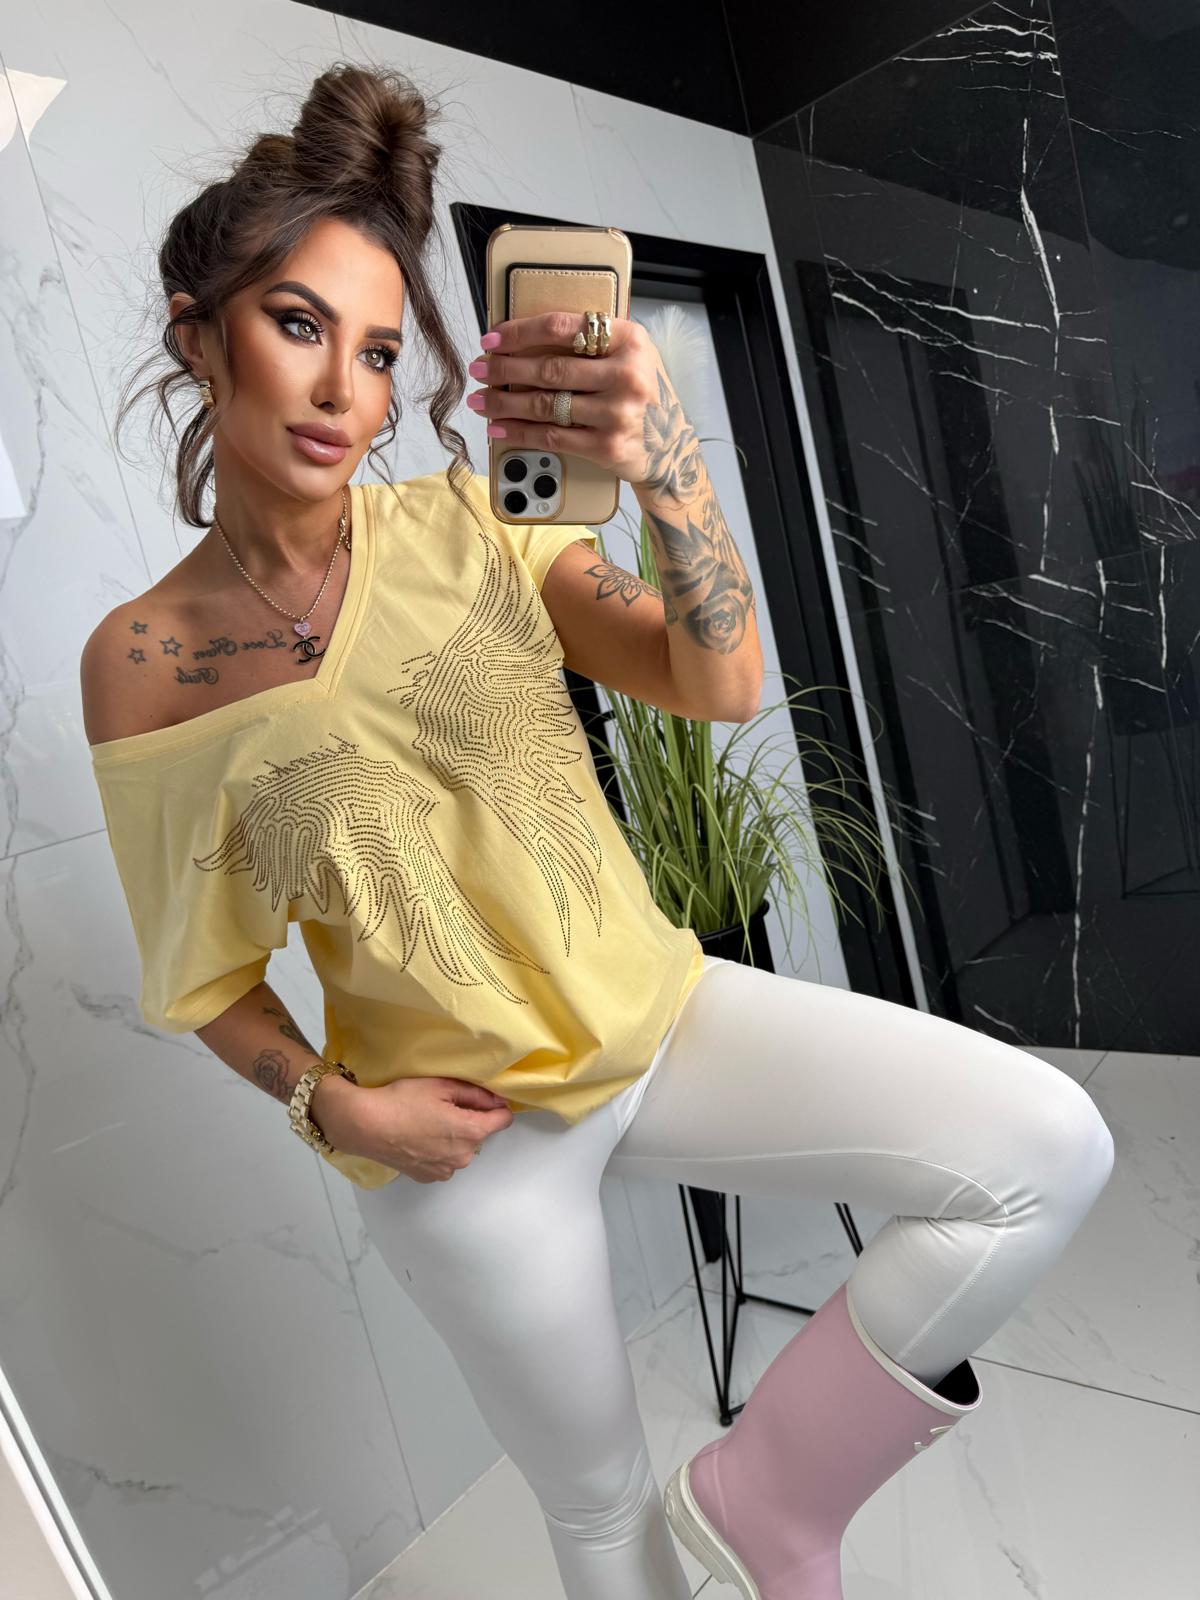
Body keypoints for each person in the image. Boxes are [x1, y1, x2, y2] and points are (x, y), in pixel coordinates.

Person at [80, 62, 1116, 1600]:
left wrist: (668, 462)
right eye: (299, 325)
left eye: (380, 350)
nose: (344, 388)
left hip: (663, 1015)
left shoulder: (480, 521)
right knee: (603, 1518)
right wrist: (336, 1109)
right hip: (462, 1146)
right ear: (197, 332)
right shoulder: (145, 662)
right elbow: (207, 975)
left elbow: (718, 678)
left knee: (1041, 1150)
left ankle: (771, 1503)